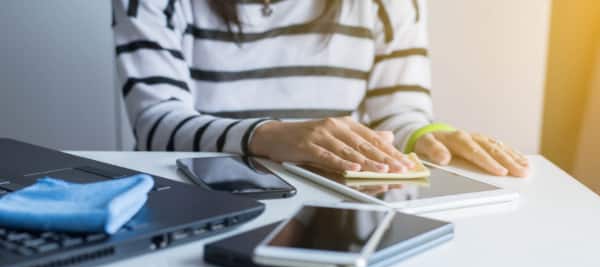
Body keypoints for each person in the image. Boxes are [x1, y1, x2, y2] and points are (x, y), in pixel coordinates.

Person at [112, 0, 529, 177]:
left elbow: (397, 115)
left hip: (337, 211)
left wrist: (426, 137)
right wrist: (271, 136)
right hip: (196, 205)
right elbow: (157, 124)